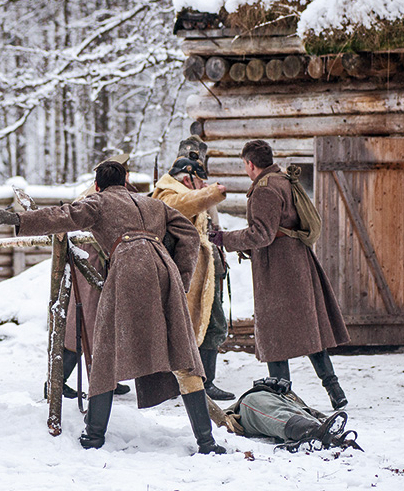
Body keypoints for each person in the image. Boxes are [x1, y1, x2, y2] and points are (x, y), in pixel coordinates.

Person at [0, 161, 225, 455]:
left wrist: (18, 220)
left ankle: (94, 436)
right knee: (181, 351)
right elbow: (188, 234)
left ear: (98, 185)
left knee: (105, 351)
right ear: (125, 183)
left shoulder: (98, 202)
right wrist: (181, 275)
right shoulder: (151, 203)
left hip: (127, 268)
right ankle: (207, 441)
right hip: (165, 271)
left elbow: (63, 216)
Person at [213, 140, 350, 409]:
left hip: (278, 268)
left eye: (245, 165)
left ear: (250, 164)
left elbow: (260, 235)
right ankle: (334, 388)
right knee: (309, 329)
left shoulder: (265, 188)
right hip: (296, 261)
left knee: (274, 333)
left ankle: (282, 399)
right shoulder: (283, 179)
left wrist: (223, 238)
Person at [152, 135, 234, 401]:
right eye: (200, 181)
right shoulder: (168, 193)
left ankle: (204, 380)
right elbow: (187, 204)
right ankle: (191, 382)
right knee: (185, 327)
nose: (204, 185)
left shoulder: (185, 191)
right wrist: (212, 192)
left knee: (212, 324)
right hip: (181, 271)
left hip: (201, 269)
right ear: (187, 178)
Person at [56, 153, 132, 401]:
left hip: (103, 267)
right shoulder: (93, 199)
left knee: (102, 328)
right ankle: (55, 383)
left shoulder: (116, 195)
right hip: (90, 266)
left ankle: (107, 379)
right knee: (81, 328)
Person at [213, 377, 359, 452]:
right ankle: (312, 431)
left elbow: (305, 409)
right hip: (244, 410)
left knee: (292, 409)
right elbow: (219, 420)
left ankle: (326, 434)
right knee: (254, 400)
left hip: (282, 400)